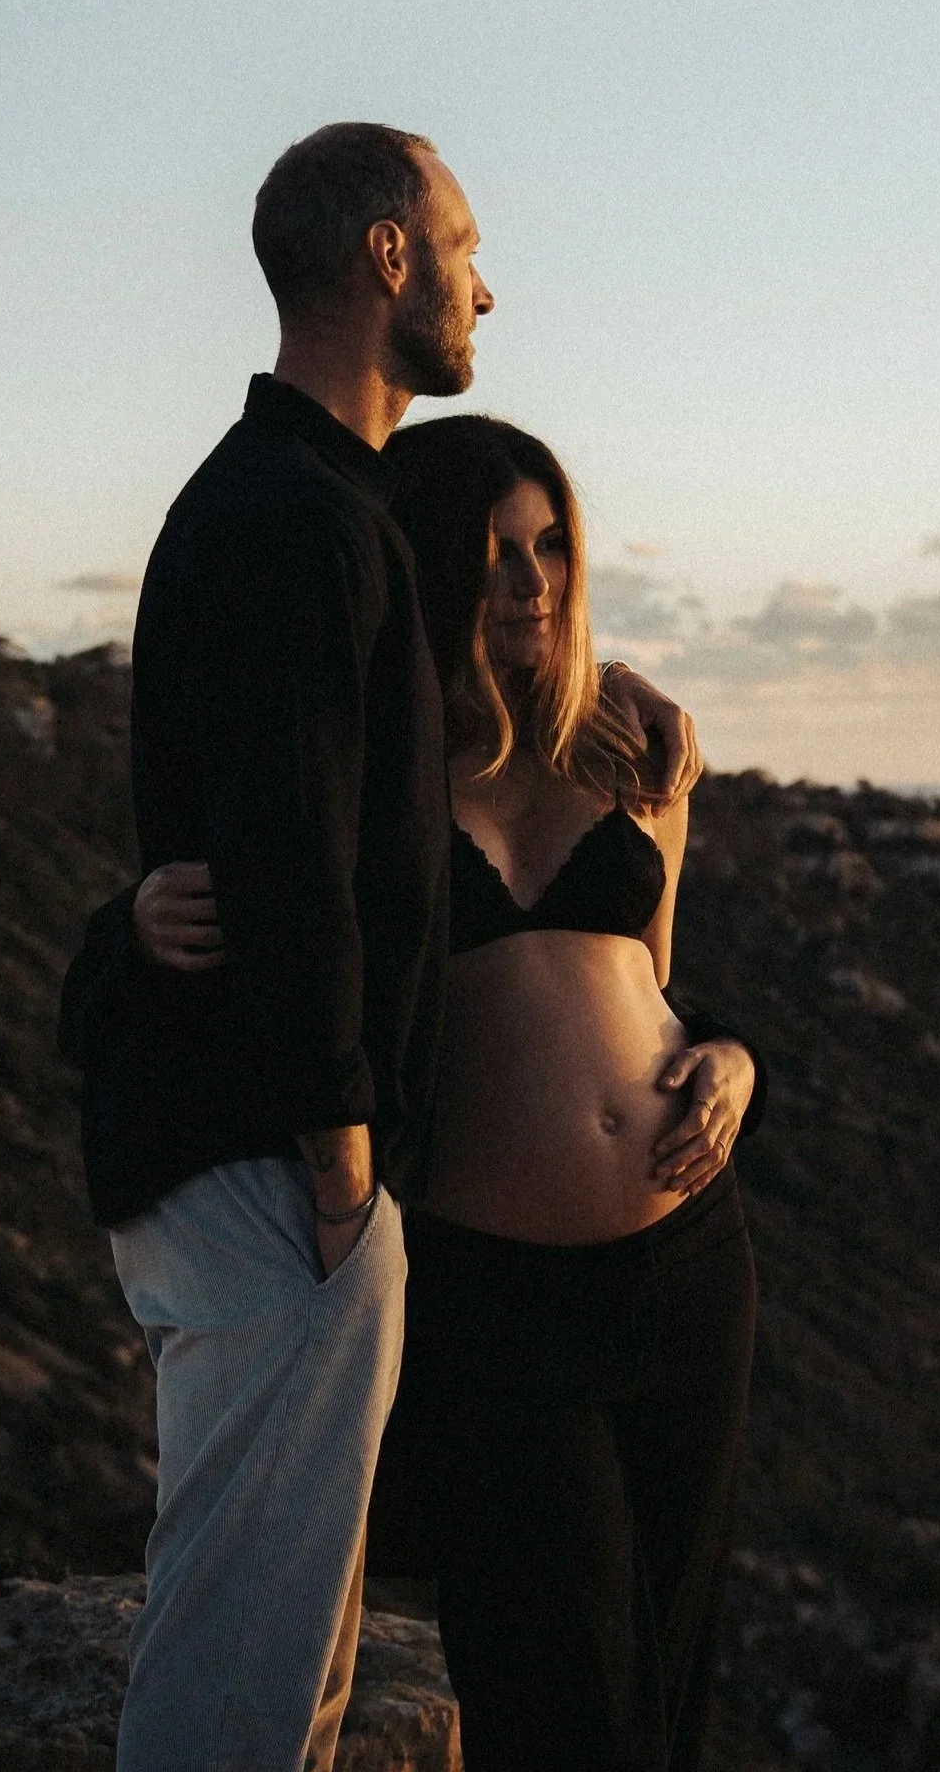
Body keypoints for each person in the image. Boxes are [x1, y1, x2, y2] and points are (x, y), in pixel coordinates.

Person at [71, 122, 708, 1772]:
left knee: (298, 1651)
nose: (487, 282)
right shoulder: (299, 516)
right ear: (385, 258)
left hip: (319, 1174)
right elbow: (294, 865)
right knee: (248, 1654)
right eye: (466, 241)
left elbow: (252, 838)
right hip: (293, 1174)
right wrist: (348, 1168)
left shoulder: (300, 504)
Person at [137, 414, 763, 1771]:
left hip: (686, 1270)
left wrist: (734, 1058)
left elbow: (649, 989)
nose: (531, 578)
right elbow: (279, 904)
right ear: (427, 564)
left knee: (668, 1676)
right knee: (560, 1696)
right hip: (494, 1296)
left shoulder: (635, 755)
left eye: (552, 546)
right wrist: (131, 920)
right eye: (494, 552)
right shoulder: (381, 766)